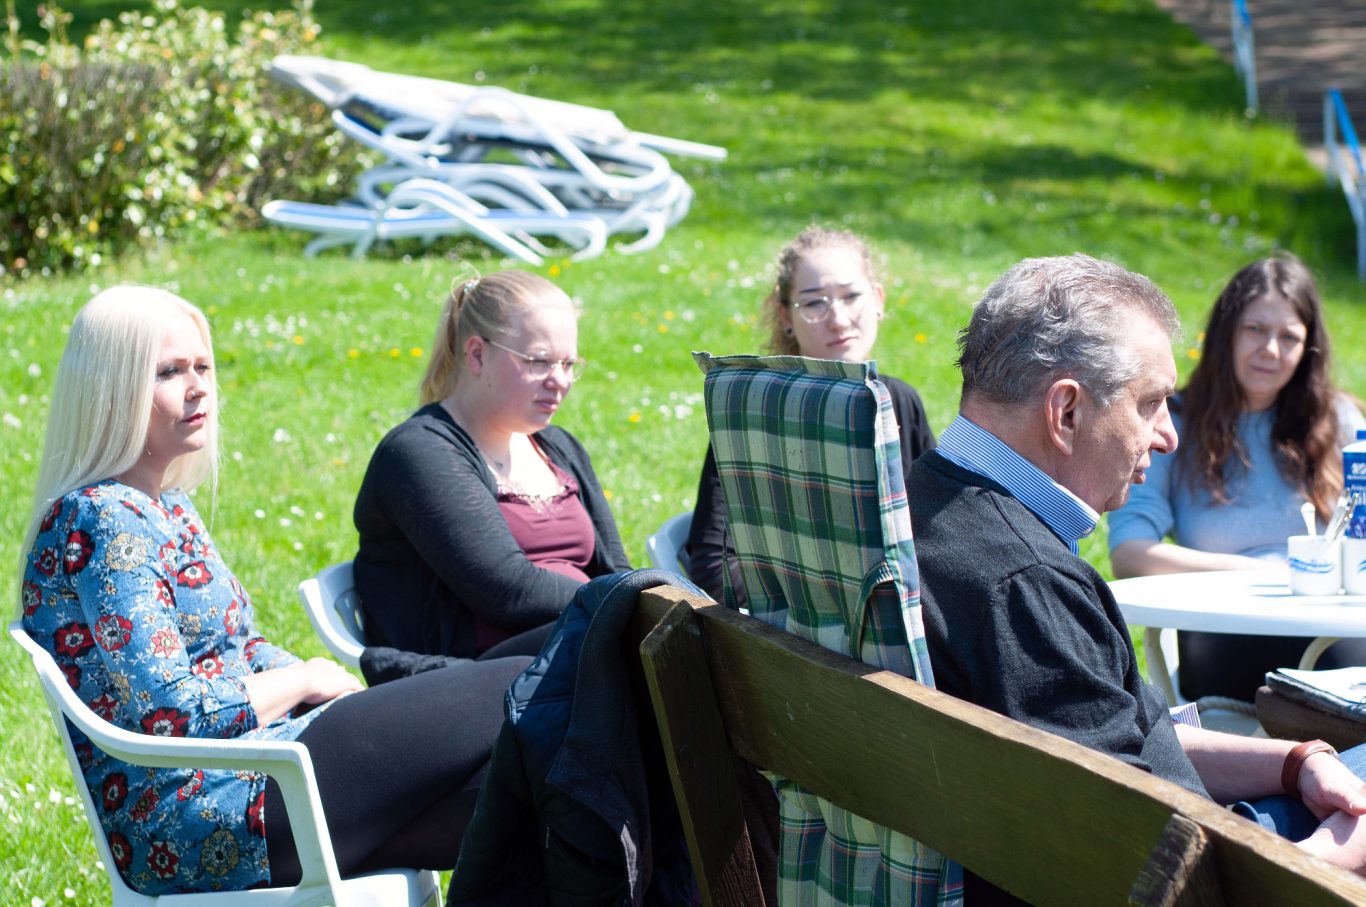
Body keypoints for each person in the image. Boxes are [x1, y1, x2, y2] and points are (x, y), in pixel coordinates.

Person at [19, 287, 530, 896]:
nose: (198, 387)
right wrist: (306, 680)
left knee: (541, 792)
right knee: (529, 672)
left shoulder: (166, 505)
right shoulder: (102, 519)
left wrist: (326, 692)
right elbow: (172, 716)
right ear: (111, 388)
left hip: (263, 770)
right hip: (201, 810)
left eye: (203, 366)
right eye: (170, 372)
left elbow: (239, 647)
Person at [907, 254, 1366, 901]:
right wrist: (1334, 854)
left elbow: (1127, 736)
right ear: (1066, 411)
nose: (1168, 436)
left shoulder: (922, 502)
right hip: (1217, 872)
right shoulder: (1027, 584)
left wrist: (1296, 761)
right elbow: (1145, 869)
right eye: (1150, 403)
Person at [1108, 254, 1366, 701]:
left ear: (1308, 347)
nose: (1271, 350)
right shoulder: (1173, 424)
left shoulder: (1339, 422)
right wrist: (1274, 574)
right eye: (1255, 329)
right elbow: (1129, 554)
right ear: (1227, 332)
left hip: (1333, 629)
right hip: (1223, 629)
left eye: (1289, 337)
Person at [353, 271, 630, 659]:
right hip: (466, 672)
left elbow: (615, 569)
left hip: (572, 650)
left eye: (568, 364)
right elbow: (506, 591)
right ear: (477, 354)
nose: (560, 381)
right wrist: (627, 606)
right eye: (538, 361)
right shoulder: (419, 452)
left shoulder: (558, 447)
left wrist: (644, 604)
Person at [686, 226, 936, 605]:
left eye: (852, 296)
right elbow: (712, 564)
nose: (839, 319)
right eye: (814, 303)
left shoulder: (900, 400)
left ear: (878, 299)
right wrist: (818, 613)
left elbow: (935, 533)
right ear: (786, 316)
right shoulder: (754, 413)